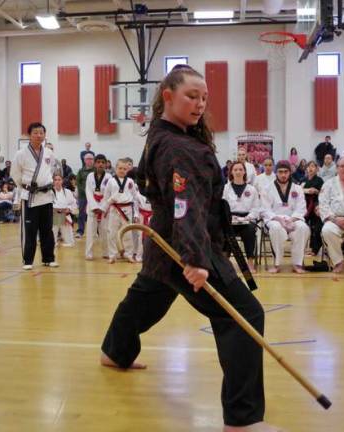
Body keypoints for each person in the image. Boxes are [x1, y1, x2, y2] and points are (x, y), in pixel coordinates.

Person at [100, 65, 277, 432]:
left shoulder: (165, 137)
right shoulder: (178, 147)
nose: (199, 104)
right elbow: (187, 206)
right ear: (168, 96)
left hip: (165, 244)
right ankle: (243, 421)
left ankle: (114, 351)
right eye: (191, 96)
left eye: (204, 98)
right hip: (186, 243)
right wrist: (196, 261)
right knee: (242, 316)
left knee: (147, 295)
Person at [12, 122, 58, 270]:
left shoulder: (49, 153)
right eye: (35, 133)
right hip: (30, 196)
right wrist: (26, 187)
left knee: (47, 229)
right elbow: (15, 174)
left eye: (41, 133)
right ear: (29, 135)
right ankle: (28, 260)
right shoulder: (21, 154)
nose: (39, 135)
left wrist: (45, 184)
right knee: (30, 231)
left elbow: (50, 171)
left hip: (46, 196)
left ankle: (48, 258)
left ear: (45, 135)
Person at [260, 160, 309, 273]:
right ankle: (277, 264)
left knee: (303, 228)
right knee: (276, 228)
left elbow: (301, 208)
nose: (283, 175)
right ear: (276, 172)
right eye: (280, 172)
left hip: (293, 218)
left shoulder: (297, 188)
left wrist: (291, 220)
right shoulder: (267, 188)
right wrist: (279, 220)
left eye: (286, 172)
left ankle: (297, 263)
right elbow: (265, 209)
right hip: (275, 219)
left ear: (290, 172)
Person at [223, 161, 260, 272]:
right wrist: (229, 217)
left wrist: (247, 218)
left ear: (244, 172)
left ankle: (249, 262)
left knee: (250, 230)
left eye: (240, 169)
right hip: (230, 218)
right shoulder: (226, 188)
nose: (238, 172)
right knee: (226, 230)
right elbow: (222, 205)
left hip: (247, 219)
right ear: (231, 172)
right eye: (235, 170)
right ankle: (225, 261)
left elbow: (256, 208)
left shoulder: (251, 189)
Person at [102, 159, 140, 263]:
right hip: (114, 209)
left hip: (127, 210)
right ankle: (112, 255)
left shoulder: (130, 181)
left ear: (127, 170)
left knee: (128, 234)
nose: (122, 170)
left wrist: (136, 213)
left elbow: (135, 199)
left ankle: (128, 254)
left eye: (124, 169)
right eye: (120, 168)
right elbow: (106, 197)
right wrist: (104, 210)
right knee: (112, 233)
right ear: (115, 168)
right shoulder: (111, 181)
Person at [85, 154, 110, 260]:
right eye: (98, 162)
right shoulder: (90, 176)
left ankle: (106, 252)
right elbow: (88, 192)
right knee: (91, 232)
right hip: (92, 207)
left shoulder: (109, 177)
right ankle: (88, 253)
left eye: (103, 162)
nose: (100, 164)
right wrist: (94, 206)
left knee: (105, 231)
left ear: (106, 164)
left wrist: (102, 207)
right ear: (95, 164)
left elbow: (109, 194)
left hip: (104, 207)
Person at [302, 161, 324, 255]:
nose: (310, 168)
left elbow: (322, 193)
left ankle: (314, 249)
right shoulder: (304, 180)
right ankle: (306, 247)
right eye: (308, 166)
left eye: (312, 166)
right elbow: (299, 190)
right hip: (305, 205)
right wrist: (306, 190)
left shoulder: (319, 180)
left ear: (317, 169)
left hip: (316, 205)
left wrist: (315, 191)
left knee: (316, 227)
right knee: (306, 227)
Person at [52, 174, 78, 248]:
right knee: (51, 239)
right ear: (53, 181)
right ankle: (53, 242)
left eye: (59, 180)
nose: (57, 182)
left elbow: (74, 203)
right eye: (55, 180)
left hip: (65, 216)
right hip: (53, 216)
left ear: (62, 181)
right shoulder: (50, 192)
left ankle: (68, 241)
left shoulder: (67, 192)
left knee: (69, 242)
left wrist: (69, 209)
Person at [76, 153, 95, 237]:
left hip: (94, 196)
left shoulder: (96, 170)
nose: (89, 160)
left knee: (95, 213)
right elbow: (78, 183)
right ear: (84, 160)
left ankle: (96, 231)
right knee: (81, 214)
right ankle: (80, 231)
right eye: (88, 159)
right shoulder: (80, 171)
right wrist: (86, 192)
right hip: (83, 196)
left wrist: (92, 193)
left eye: (91, 159)